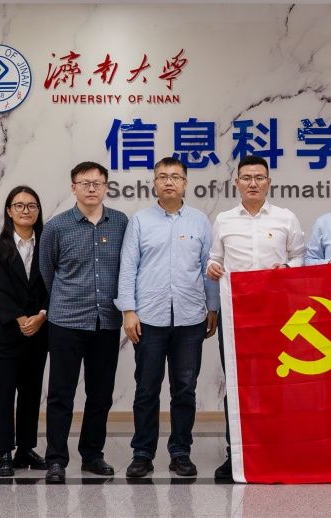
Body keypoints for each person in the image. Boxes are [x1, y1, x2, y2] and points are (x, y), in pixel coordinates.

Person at [117, 157, 218, 478]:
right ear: (155, 183)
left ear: (185, 183)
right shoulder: (140, 221)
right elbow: (128, 267)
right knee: (146, 388)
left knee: (185, 389)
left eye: (175, 177)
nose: (169, 182)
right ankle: (142, 453)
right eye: (162, 176)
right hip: (149, 318)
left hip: (191, 318)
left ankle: (180, 452)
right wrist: (128, 311)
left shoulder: (200, 221)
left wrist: (212, 307)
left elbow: (209, 268)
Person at [207, 155, 305, 480]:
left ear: (268, 182)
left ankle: (274, 451)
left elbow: (299, 256)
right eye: (246, 177)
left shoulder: (285, 218)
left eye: (259, 177)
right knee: (236, 385)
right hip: (235, 318)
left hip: (276, 316)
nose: (253, 183)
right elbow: (214, 259)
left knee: (274, 384)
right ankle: (235, 454)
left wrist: (287, 268)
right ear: (236, 182)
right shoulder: (224, 220)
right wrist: (213, 268)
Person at [40, 162, 129, 483]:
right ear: (73, 187)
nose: (91, 188)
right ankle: (56, 459)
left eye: (97, 183)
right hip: (66, 321)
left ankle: (92, 454)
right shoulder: (56, 226)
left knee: (100, 393)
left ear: (106, 187)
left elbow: (127, 268)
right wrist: (65, 300)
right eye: (85, 183)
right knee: (60, 394)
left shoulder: (120, 223)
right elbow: (46, 272)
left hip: (106, 321)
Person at [0, 186, 49, 477]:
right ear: (9, 211)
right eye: (19, 205)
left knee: (31, 394)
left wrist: (41, 315)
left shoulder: (47, 244)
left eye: (31, 205)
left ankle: (25, 448)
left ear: (38, 211)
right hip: (5, 334)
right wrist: (20, 319)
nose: (26, 210)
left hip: (39, 331)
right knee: (3, 395)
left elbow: (54, 283)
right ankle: (4, 453)